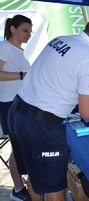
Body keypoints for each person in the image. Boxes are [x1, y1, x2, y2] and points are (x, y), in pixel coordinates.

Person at [8, 14, 89, 201]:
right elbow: (87, 112)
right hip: (42, 126)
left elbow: (60, 76)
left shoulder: (61, 40)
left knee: (36, 176)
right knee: (55, 188)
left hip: (17, 113)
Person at [0, 14, 32, 201]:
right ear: (13, 28)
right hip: (8, 104)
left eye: (30, 31)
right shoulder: (4, 47)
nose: (28, 34)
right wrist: (22, 75)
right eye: (24, 30)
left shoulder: (16, 50)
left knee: (20, 147)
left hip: (18, 103)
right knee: (17, 148)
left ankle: (22, 185)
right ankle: (18, 190)